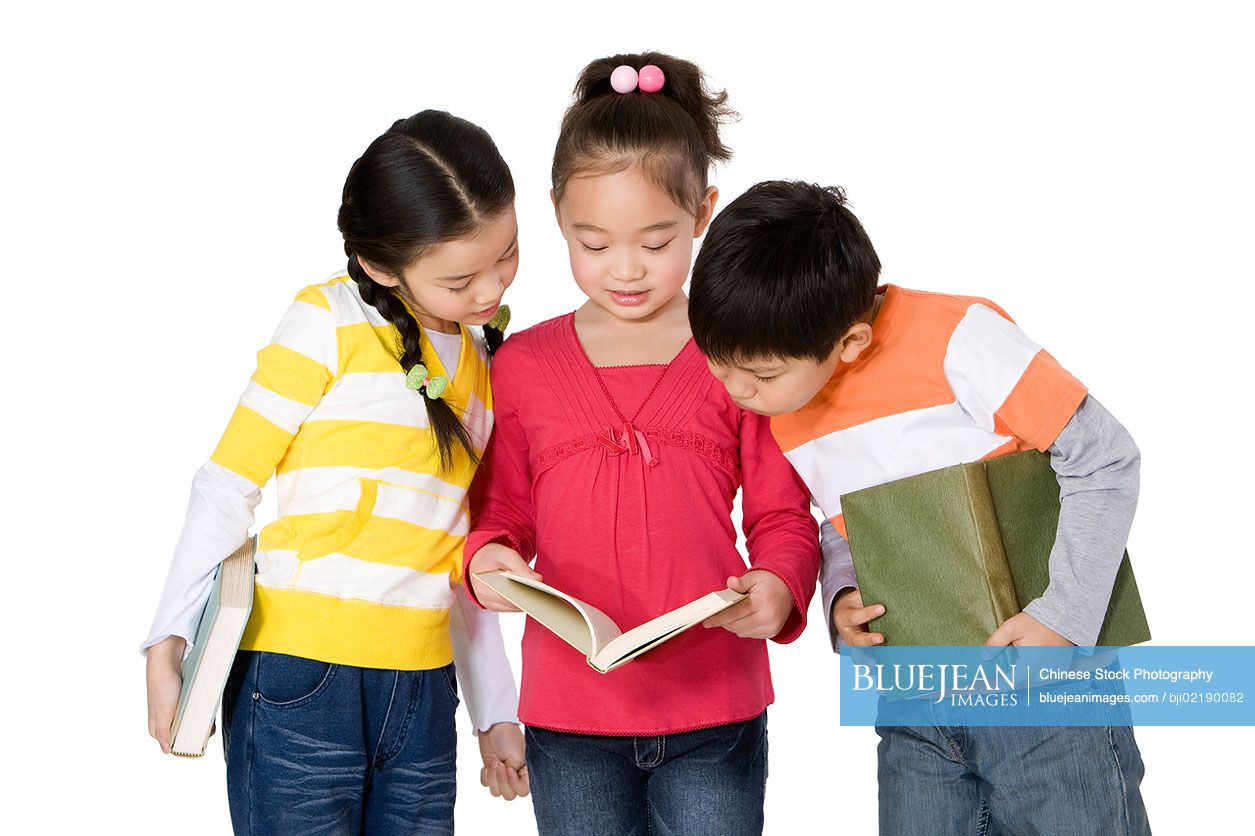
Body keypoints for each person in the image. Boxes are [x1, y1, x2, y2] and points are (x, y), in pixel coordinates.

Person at [688, 179, 1151, 835]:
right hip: (916, 697)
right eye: (717, 364)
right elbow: (843, 519)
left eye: (758, 376)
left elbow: (1103, 457)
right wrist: (841, 592)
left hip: (1042, 689)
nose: (736, 393)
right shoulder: (786, 404)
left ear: (847, 344)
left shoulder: (959, 339)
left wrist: (1064, 620)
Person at [142, 110, 530, 835]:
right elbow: (229, 483)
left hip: (422, 690)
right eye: (458, 278)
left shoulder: (483, 369)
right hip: (300, 678)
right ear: (382, 265)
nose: (489, 290)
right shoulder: (326, 319)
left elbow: (463, 558)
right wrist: (167, 641)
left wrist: (495, 713)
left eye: (506, 256)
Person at [463, 54, 820, 836]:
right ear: (556, 217)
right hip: (570, 713)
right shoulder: (520, 365)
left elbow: (782, 514)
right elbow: (501, 514)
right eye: (592, 245)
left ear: (702, 214)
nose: (624, 269)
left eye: (655, 243)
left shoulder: (739, 356)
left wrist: (780, 586)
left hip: (713, 707)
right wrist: (488, 558)